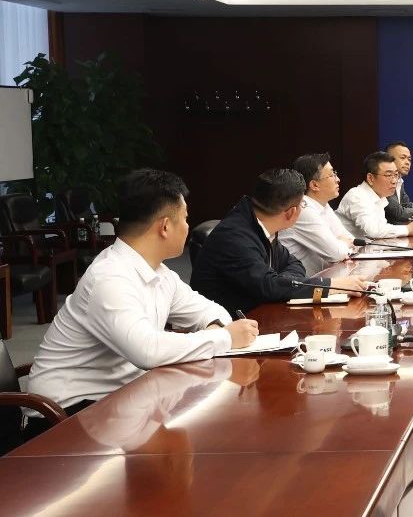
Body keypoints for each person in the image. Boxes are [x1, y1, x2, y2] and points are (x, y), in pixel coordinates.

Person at [25, 169, 259, 421]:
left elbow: (211, 311)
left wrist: (214, 327)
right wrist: (224, 337)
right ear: (165, 226)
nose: (188, 226)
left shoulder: (160, 273)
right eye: (185, 218)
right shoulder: (109, 278)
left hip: (119, 399)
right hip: (64, 415)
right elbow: (147, 351)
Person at [192, 169, 364, 313]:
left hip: (259, 314)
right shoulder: (235, 237)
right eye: (303, 205)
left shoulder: (259, 223)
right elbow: (268, 286)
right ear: (291, 213)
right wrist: (333, 286)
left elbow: (293, 264)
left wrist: (280, 283)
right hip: (229, 326)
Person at [278, 153, 354, 275]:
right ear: (314, 185)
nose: (338, 179)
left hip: (322, 278)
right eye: (332, 175)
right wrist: (342, 243)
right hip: (301, 283)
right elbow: (337, 253)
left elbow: (351, 239)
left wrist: (340, 243)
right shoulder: (302, 209)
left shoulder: (323, 205)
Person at [337, 151, 413, 239]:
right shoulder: (357, 196)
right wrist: (407, 229)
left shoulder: (380, 197)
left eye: (396, 175)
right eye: (389, 175)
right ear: (370, 178)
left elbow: (381, 229)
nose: (394, 181)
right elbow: (373, 231)